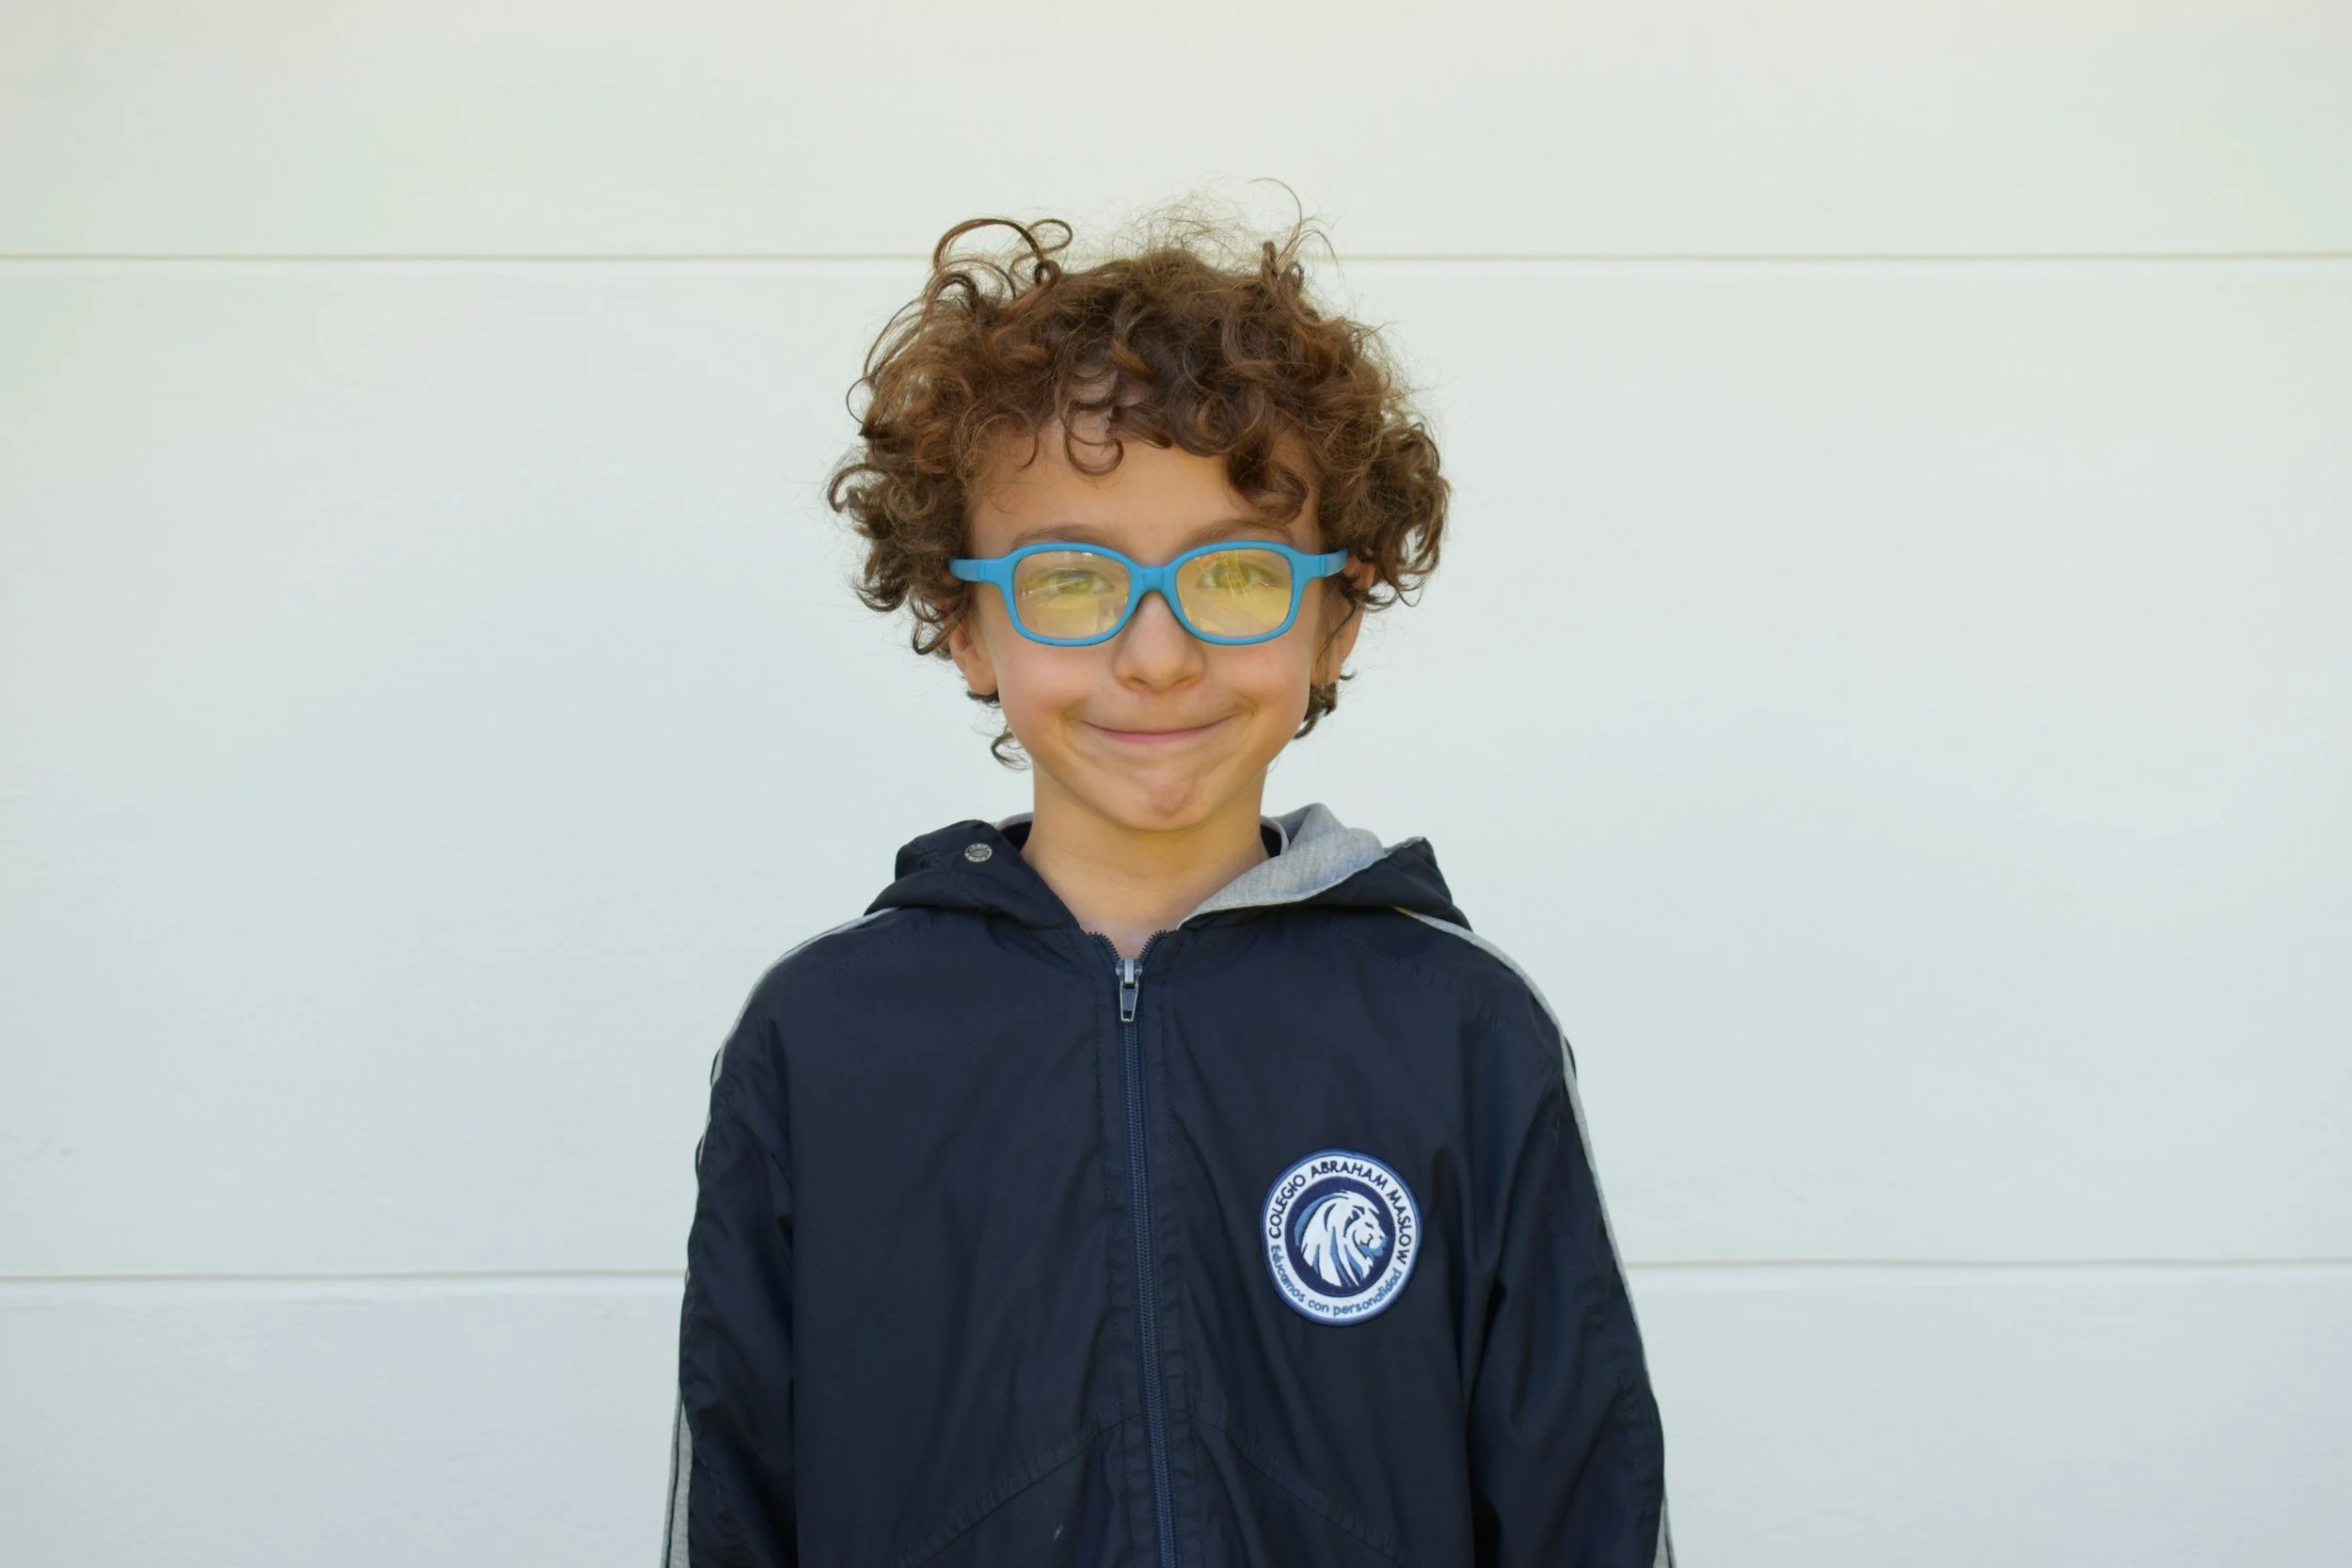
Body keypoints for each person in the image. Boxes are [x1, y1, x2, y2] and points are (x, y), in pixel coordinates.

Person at [661, 202, 1673, 1568]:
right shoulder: (822, 1041)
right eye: (1071, 579)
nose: (1157, 651)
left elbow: (1587, 1510)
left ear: (1338, 612)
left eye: (1238, 572)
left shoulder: (1460, 1029)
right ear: (965, 624)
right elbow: (734, 1504)